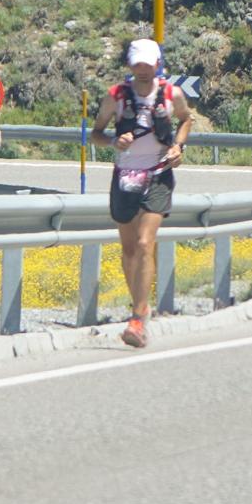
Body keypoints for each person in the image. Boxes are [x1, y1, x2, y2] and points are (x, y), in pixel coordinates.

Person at [89, 38, 193, 348]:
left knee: (146, 242)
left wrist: (178, 146)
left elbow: (186, 119)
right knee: (130, 248)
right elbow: (95, 133)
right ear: (131, 65)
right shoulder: (116, 97)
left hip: (158, 174)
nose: (144, 70)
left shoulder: (171, 94)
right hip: (125, 175)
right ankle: (141, 305)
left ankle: (136, 318)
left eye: (149, 65)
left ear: (157, 64)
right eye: (138, 65)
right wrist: (112, 142)